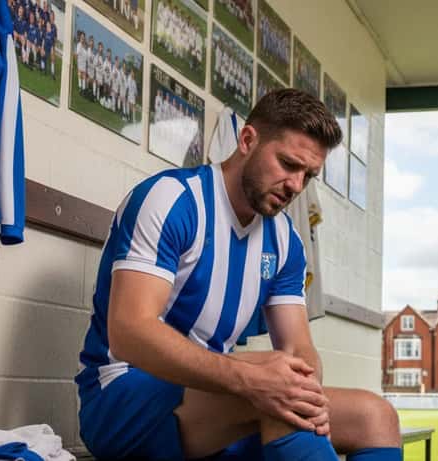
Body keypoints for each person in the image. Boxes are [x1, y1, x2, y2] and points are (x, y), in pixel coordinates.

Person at [74, 89, 401, 461]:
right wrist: (255, 379)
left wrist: (306, 389)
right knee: (274, 384)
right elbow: (130, 332)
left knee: (375, 416)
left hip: (218, 402)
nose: (296, 185)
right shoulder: (173, 200)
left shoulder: (286, 241)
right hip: (122, 401)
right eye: (288, 164)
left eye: (308, 175)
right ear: (247, 140)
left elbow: (299, 348)